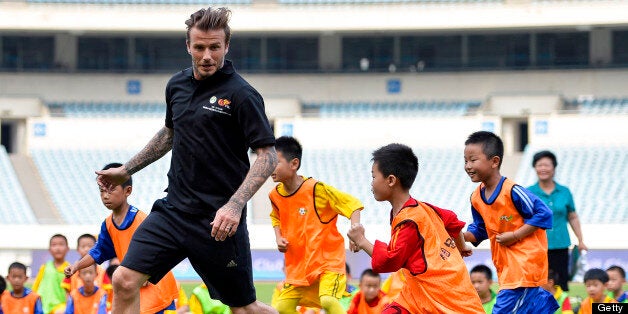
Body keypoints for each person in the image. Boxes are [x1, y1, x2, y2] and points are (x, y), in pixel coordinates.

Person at [93, 6, 277, 314]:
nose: (207, 55)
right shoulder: (175, 86)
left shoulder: (242, 94)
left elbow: (267, 157)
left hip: (218, 223)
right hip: (173, 212)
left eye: (214, 47)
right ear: (188, 45)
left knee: (244, 308)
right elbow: (169, 134)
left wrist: (233, 206)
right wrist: (125, 170)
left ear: (226, 46)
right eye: (200, 47)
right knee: (124, 279)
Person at [347, 143, 484, 313]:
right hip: (416, 294)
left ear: (391, 180)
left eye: (374, 177)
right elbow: (453, 223)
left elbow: (391, 260)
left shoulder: (408, 221)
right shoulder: (425, 208)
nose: (371, 183)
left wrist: (361, 240)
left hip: (445, 298)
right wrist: (461, 246)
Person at [462, 131, 559, 313]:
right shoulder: (476, 197)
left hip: (523, 268)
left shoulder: (513, 191)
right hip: (506, 270)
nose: (468, 166)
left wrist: (515, 235)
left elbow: (544, 214)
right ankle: (542, 304)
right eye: (465, 161)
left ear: (494, 161)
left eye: (473, 160)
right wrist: (461, 235)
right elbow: (480, 230)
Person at [64, 163, 179, 314]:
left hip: (155, 289)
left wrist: (147, 273)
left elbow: (161, 252)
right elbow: (98, 251)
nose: (105, 195)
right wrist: (76, 266)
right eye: (102, 190)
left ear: (128, 191)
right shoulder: (108, 224)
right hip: (133, 287)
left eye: (111, 189)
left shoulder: (143, 221)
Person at [269, 136, 362, 314]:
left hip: (327, 263)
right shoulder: (275, 195)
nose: (269, 167)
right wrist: (278, 237)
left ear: (294, 164)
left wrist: (355, 232)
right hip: (299, 269)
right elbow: (276, 217)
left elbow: (352, 204)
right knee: (282, 306)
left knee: (328, 300)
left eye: (275, 162)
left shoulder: (316, 189)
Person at [528, 150, 587, 291]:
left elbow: (572, 216)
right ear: (535, 168)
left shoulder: (565, 191)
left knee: (562, 283)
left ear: (554, 168)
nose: (543, 168)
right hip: (537, 246)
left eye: (547, 165)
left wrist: (580, 240)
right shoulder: (528, 192)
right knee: (538, 284)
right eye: (539, 165)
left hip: (561, 245)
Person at [33, 234, 70, 314]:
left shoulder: (70, 269)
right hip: (43, 306)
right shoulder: (45, 267)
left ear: (67, 249)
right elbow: (35, 287)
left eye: (61, 244)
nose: (58, 248)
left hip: (60, 307)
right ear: (49, 249)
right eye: (54, 245)